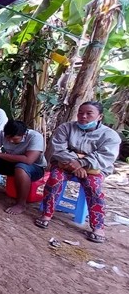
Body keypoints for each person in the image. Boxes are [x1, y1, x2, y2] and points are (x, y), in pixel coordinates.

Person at [34, 102, 121, 243]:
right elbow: (58, 150)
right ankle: (47, 214)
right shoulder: (66, 128)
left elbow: (105, 156)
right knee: (55, 178)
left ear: (100, 116)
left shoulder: (110, 135)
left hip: (93, 169)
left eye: (89, 113)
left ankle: (98, 226)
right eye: (80, 113)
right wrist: (76, 164)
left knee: (94, 187)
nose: (83, 116)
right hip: (65, 165)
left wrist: (82, 162)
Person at [0, 120, 47, 214]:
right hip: (11, 163)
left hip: (34, 167)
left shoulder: (35, 137)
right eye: (8, 138)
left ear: (24, 134)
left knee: (21, 167)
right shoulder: (2, 134)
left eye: (14, 139)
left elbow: (28, 160)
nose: (10, 140)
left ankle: (21, 204)